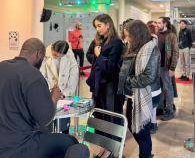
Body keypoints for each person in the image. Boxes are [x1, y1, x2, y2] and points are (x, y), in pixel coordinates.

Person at [0, 38, 85, 158]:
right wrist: (54, 97)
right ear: (38, 54)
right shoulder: (33, 75)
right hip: (21, 144)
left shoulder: (2, 66)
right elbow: (45, 118)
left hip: (3, 142)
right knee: (71, 142)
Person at [118, 20, 160, 158]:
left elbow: (148, 78)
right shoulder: (135, 46)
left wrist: (127, 80)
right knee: (133, 126)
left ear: (137, 34)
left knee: (141, 130)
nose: (127, 38)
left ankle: (145, 154)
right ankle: (146, 152)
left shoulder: (151, 49)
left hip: (147, 94)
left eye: (129, 35)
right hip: (134, 94)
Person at [86, 14, 124, 158]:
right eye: (96, 26)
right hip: (99, 85)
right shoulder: (98, 40)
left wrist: (100, 56)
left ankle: (112, 149)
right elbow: (91, 55)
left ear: (108, 24)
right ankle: (104, 148)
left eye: (99, 26)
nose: (97, 29)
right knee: (100, 116)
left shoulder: (117, 43)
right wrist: (97, 56)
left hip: (111, 87)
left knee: (111, 117)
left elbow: (112, 67)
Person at [40, 40, 79, 133]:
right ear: (52, 48)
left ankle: (65, 135)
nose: (56, 57)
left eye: (59, 56)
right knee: (50, 116)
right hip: (50, 91)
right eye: (55, 54)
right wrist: (51, 91)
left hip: (65, 91)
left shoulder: (69, 55)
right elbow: (42, 75)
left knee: (65, 116)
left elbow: (74, 74)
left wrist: (66, 92)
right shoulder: (45, 54)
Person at [157, 17, 179, 121]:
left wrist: (172, 67)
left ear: (165, 24)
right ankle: (160, 108)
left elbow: (175, 52)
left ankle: (169, 110)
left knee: (168, 88)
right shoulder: (157, 35)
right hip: (157, 66)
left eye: (159, 23)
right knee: (159, 88)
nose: (157, 24)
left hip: (166, 67)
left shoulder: (171, 35)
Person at [147, 21, 161, 134]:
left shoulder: (152, 39)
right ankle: (153, 123)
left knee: (151, 104)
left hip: (151, 80)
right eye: (155, 26)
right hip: (153, 78)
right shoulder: (153, 39)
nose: (157, 27)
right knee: (152, 105)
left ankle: (153, 123)